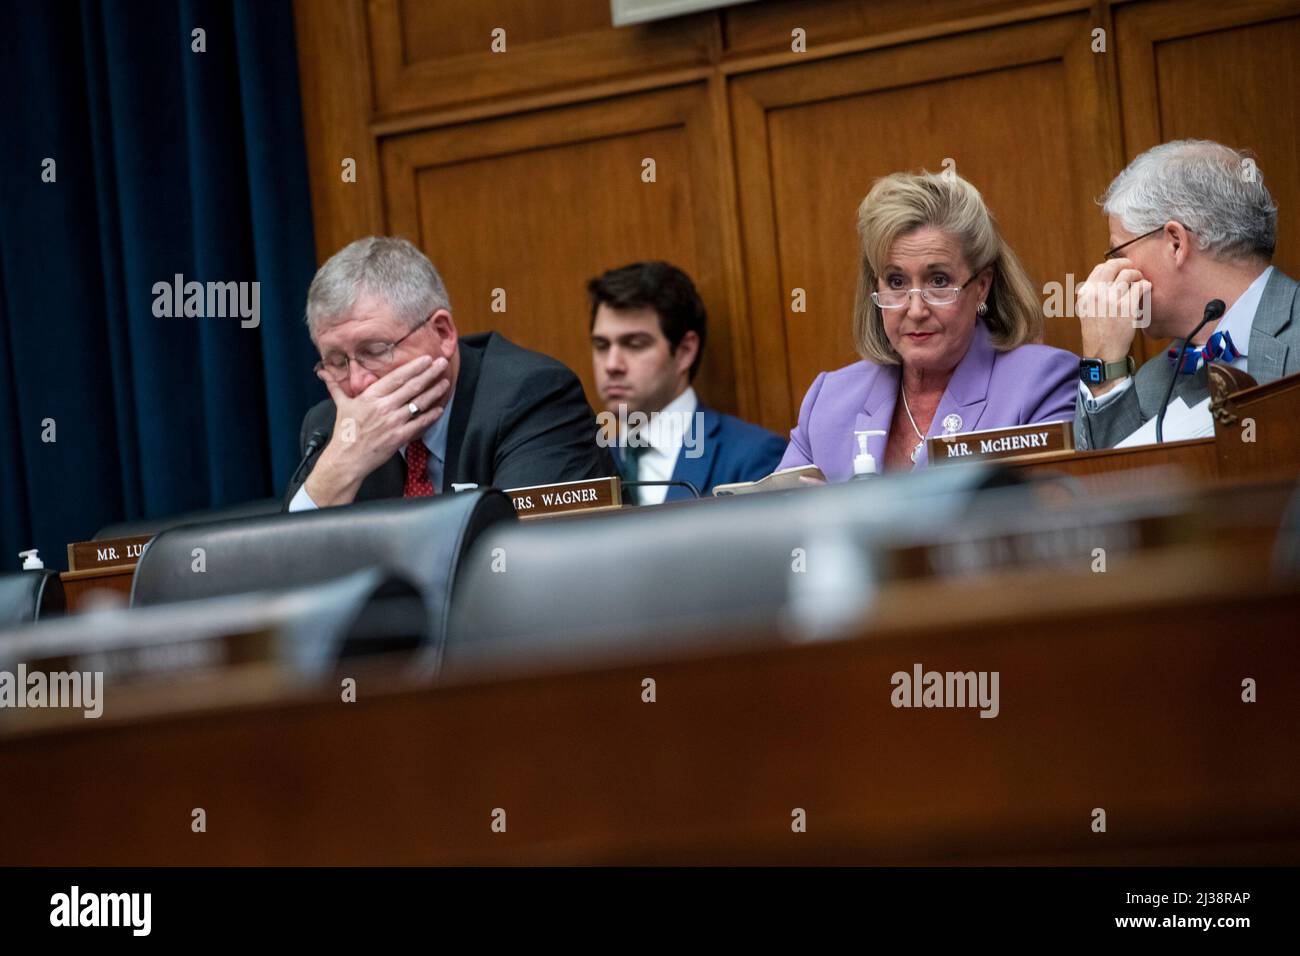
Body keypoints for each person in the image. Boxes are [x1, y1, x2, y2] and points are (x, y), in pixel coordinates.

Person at [777, 171, 1076, 480]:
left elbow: (1045, 515)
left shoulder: (1040, 384)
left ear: (982, 286)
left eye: (939, 281)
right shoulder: (828, 401)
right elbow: (776, 519)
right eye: (896, 281)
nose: (916, 310)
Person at [285, 236, 612, 509]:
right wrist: (341, 468)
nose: (357, 383)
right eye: (337, 362)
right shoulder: (331, 429)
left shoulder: (532, 397)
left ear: (442, 332)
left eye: (375, 351)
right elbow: (286, 567)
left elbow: (521, 558)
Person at [1074, 140, 1300, 449]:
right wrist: (1104, 369)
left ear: (1176, 243)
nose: (1111, 272)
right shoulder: (1154, 383)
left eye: (1118, 252)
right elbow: (1110, 488)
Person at [588, 261, 785, 502]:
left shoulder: (753, 457)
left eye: (635, 344)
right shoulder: (586, 463)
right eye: (601, 346)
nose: (611, 365)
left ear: (684, 351)